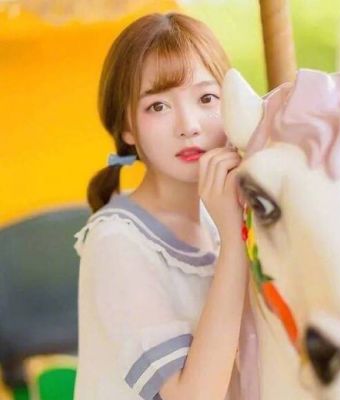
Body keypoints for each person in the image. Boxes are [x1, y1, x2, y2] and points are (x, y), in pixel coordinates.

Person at [73, 12, 258, 400]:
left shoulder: (219, 220)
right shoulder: (116, 242)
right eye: (158, 106)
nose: (188, 125)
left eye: (206, 98)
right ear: (127, 127)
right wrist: (233, 241)